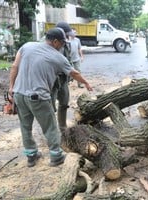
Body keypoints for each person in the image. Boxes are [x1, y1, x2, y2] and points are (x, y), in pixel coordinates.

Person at [8, 28, 93, 167]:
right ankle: (56, 156)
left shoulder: (27, 46)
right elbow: (74, 73)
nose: (62, 46)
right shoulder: (57, 56)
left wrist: (11, 88)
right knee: (50, 127)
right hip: (38, 97)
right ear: (55, 41)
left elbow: (14, 66)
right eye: (62, 43)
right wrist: (86, 83)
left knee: (25, 126)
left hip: (19, 94)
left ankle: (31, 155)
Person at [51, 22, 74, 130]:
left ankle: (62, 127)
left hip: (63, 79)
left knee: (64, 102)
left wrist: (72, 73)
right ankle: (51, 130)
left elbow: (69, 60)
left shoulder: (66, 44)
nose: (68, 36)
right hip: (51, 79)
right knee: (50, 106)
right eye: (66, 34)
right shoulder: (48, 44)